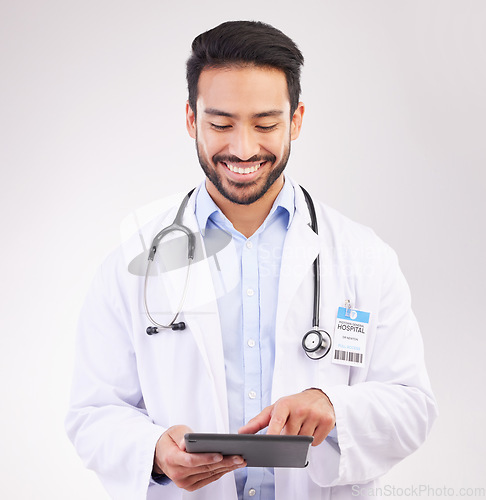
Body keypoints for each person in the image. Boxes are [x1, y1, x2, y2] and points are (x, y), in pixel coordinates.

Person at [66, 20, 438, 500]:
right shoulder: (133, 262)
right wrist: (154, 449)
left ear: (297, 120)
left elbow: (412, 406)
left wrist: (333, 406)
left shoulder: (364, 257)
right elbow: (92, 413)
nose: (243, 148)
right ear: (190, 119)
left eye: (266, 125)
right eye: (220, 124)